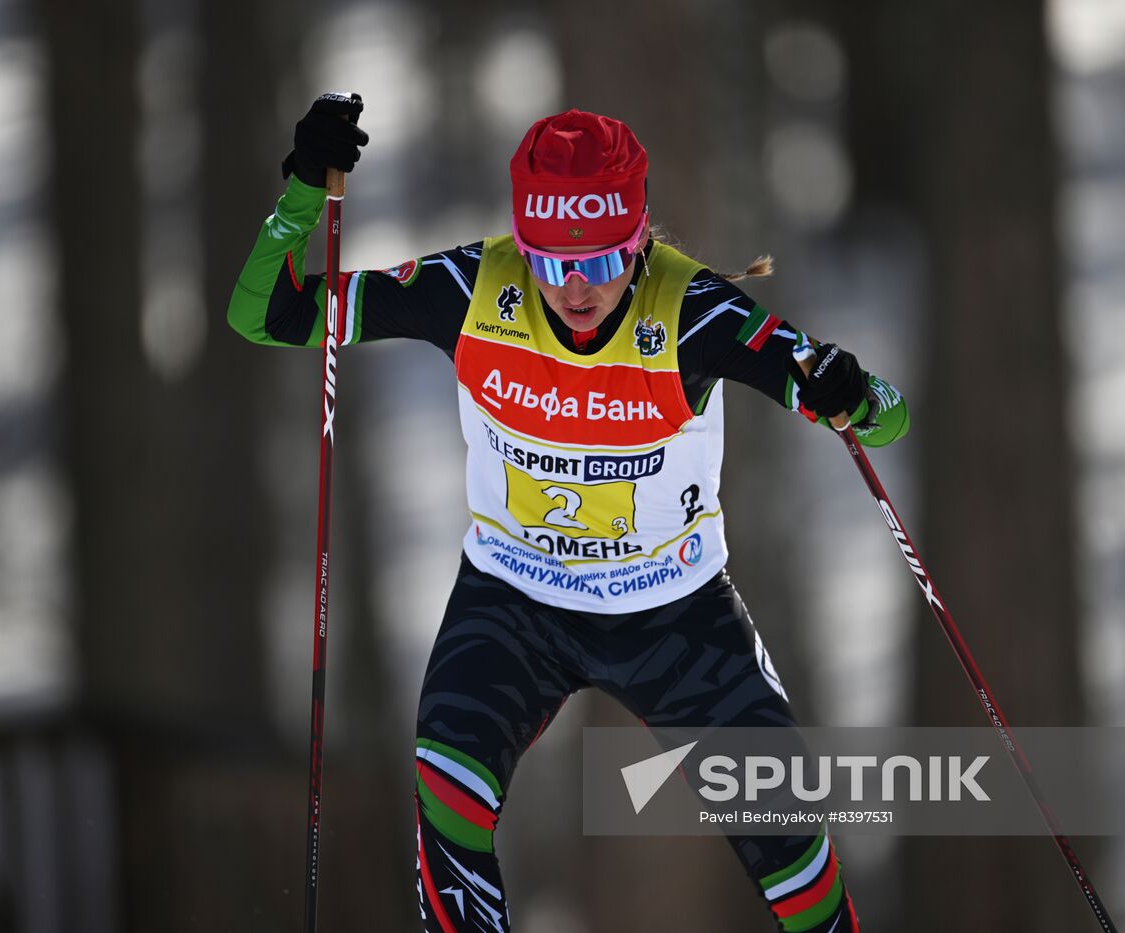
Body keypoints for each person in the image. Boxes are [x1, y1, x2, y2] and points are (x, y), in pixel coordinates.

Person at [229, 92, 908, 932]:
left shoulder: (692, 311)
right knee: (446, 790)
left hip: (673, 611)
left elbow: (884, 412)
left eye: (603, 259)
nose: (576, 286)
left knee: (793, 846)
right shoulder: (474, 288)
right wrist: (302, 189)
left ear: (641, 239)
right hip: (516, 601)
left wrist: (847, 389)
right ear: (522, 242)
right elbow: (267, 314)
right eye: (550, 262)